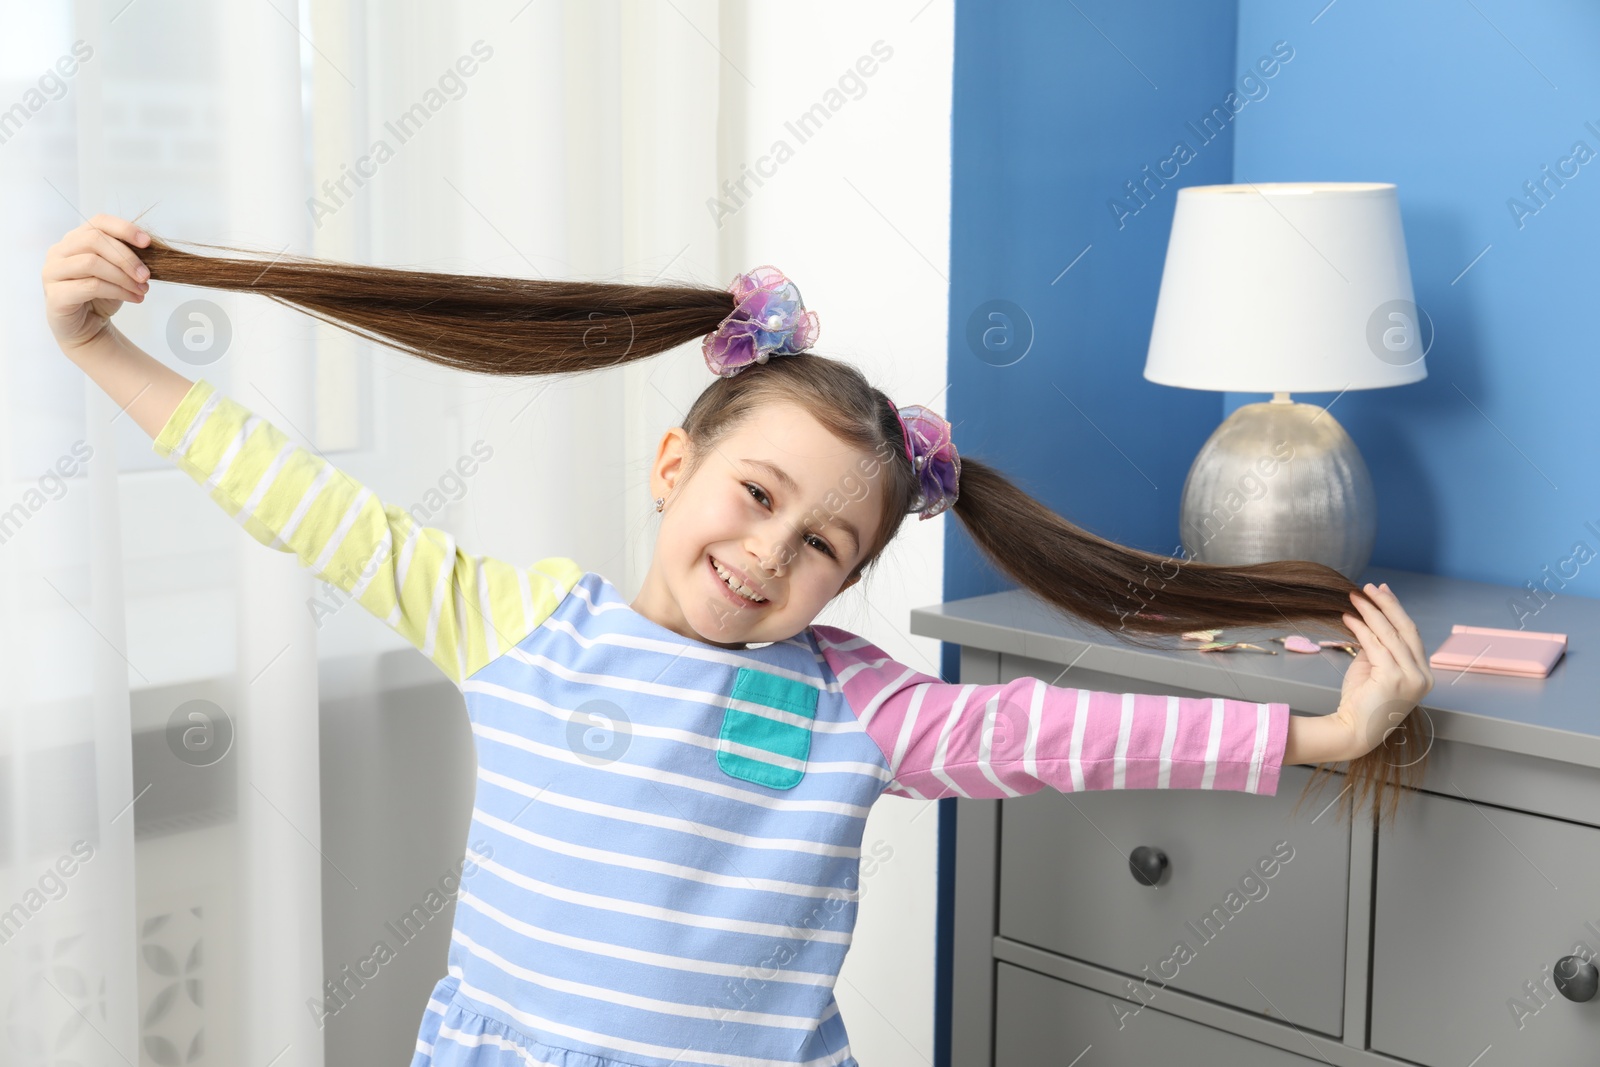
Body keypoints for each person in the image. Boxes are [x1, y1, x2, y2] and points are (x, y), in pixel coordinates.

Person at [42, 215, 1434, 1067]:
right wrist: (104, 350)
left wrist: (1317, 732)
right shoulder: (518, 624)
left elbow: (1065, 738)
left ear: (850, 578)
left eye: (823, 543)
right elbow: (307, 503)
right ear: (672, 465)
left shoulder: (863, 707)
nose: (770, 550)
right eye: (754, 496)